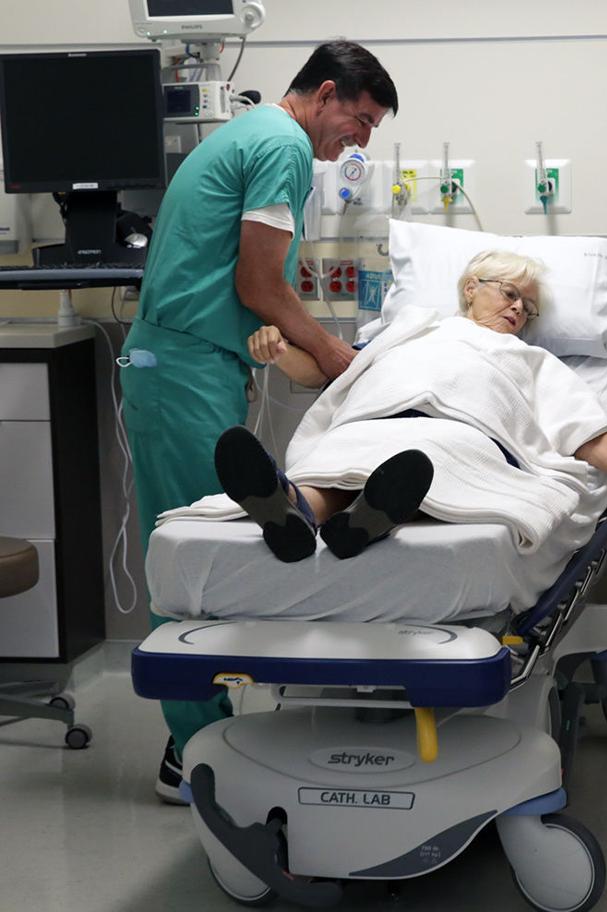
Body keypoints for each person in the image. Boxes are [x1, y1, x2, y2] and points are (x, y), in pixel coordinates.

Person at [119, 41, 398, 804]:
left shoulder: (245, 133)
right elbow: (259, 282)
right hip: (181, 373)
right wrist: (342, 356)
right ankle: (194, 757)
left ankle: (206, 736)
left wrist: (299, 346)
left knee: (203, 549)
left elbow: (248, 289)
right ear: (328, 92)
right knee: (191, 560)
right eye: (361, 119)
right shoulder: (282, 144)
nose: (361, 140)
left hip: (187, 366)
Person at [215, 250, 607, 563]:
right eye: (511, 294)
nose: (519, 310)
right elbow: (334, 375)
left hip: (460, 434)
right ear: (472, 287)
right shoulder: (409, 329)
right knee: (340, 462)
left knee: (417, 460)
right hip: (372, 419)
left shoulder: (532, 359)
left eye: (529, 309)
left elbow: (588, 436)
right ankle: (297, 511)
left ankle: (351, 511)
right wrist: (279, 353)